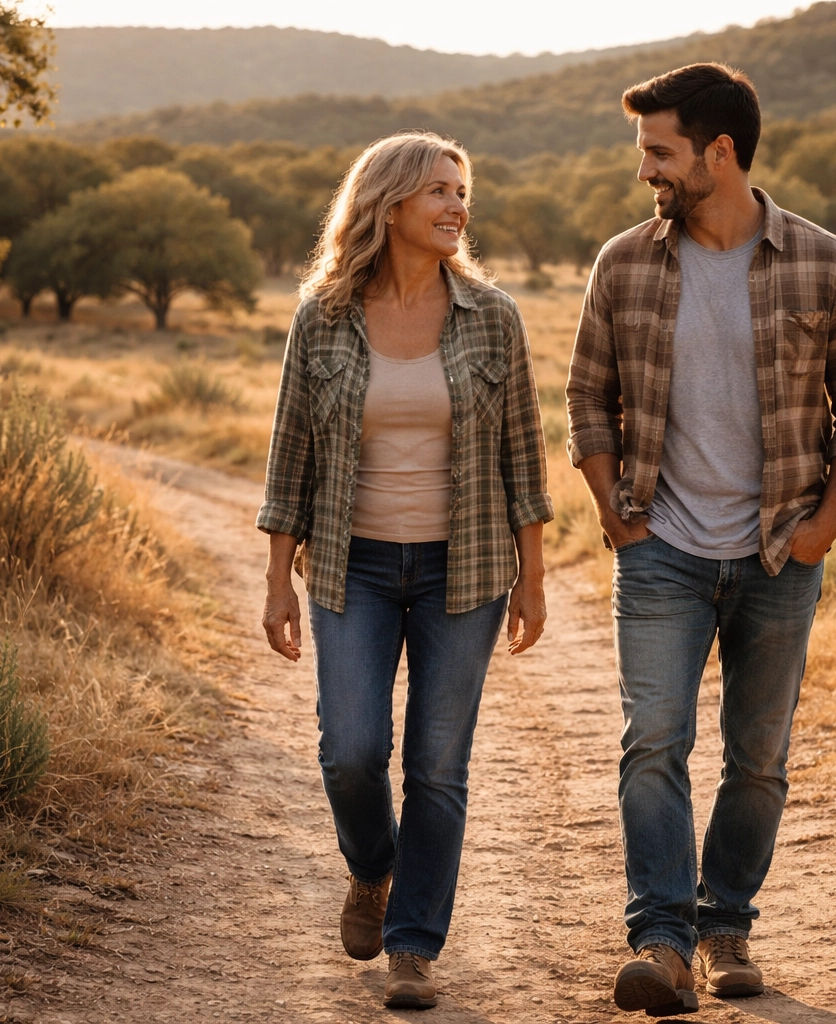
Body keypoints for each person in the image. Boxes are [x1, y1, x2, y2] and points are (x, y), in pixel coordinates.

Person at [566, 63, 836, 1016]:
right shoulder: (624, 262)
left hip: (779, 552)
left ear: (720, 152)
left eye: (659, 153)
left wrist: (824, 527)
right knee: (653, 743)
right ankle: (663, 942)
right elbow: (586, 394)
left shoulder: (824, 262)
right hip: (661, 549)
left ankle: (725, 927)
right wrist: (611, 507)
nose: (646, 172)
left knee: (758, 759)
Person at [257, 131, 552, 1010]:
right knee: (350, 752)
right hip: (353, 567)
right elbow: (290, 453)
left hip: (466, 570)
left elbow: (525, 455)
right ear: (388, 206)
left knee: (437, 766)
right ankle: (372, 870)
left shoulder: (492, 315)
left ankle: (413, 947)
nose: (457, 205)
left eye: (462, 190)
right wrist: (276, 582)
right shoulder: (323, 315)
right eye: (438, 191)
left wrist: (534, 579)